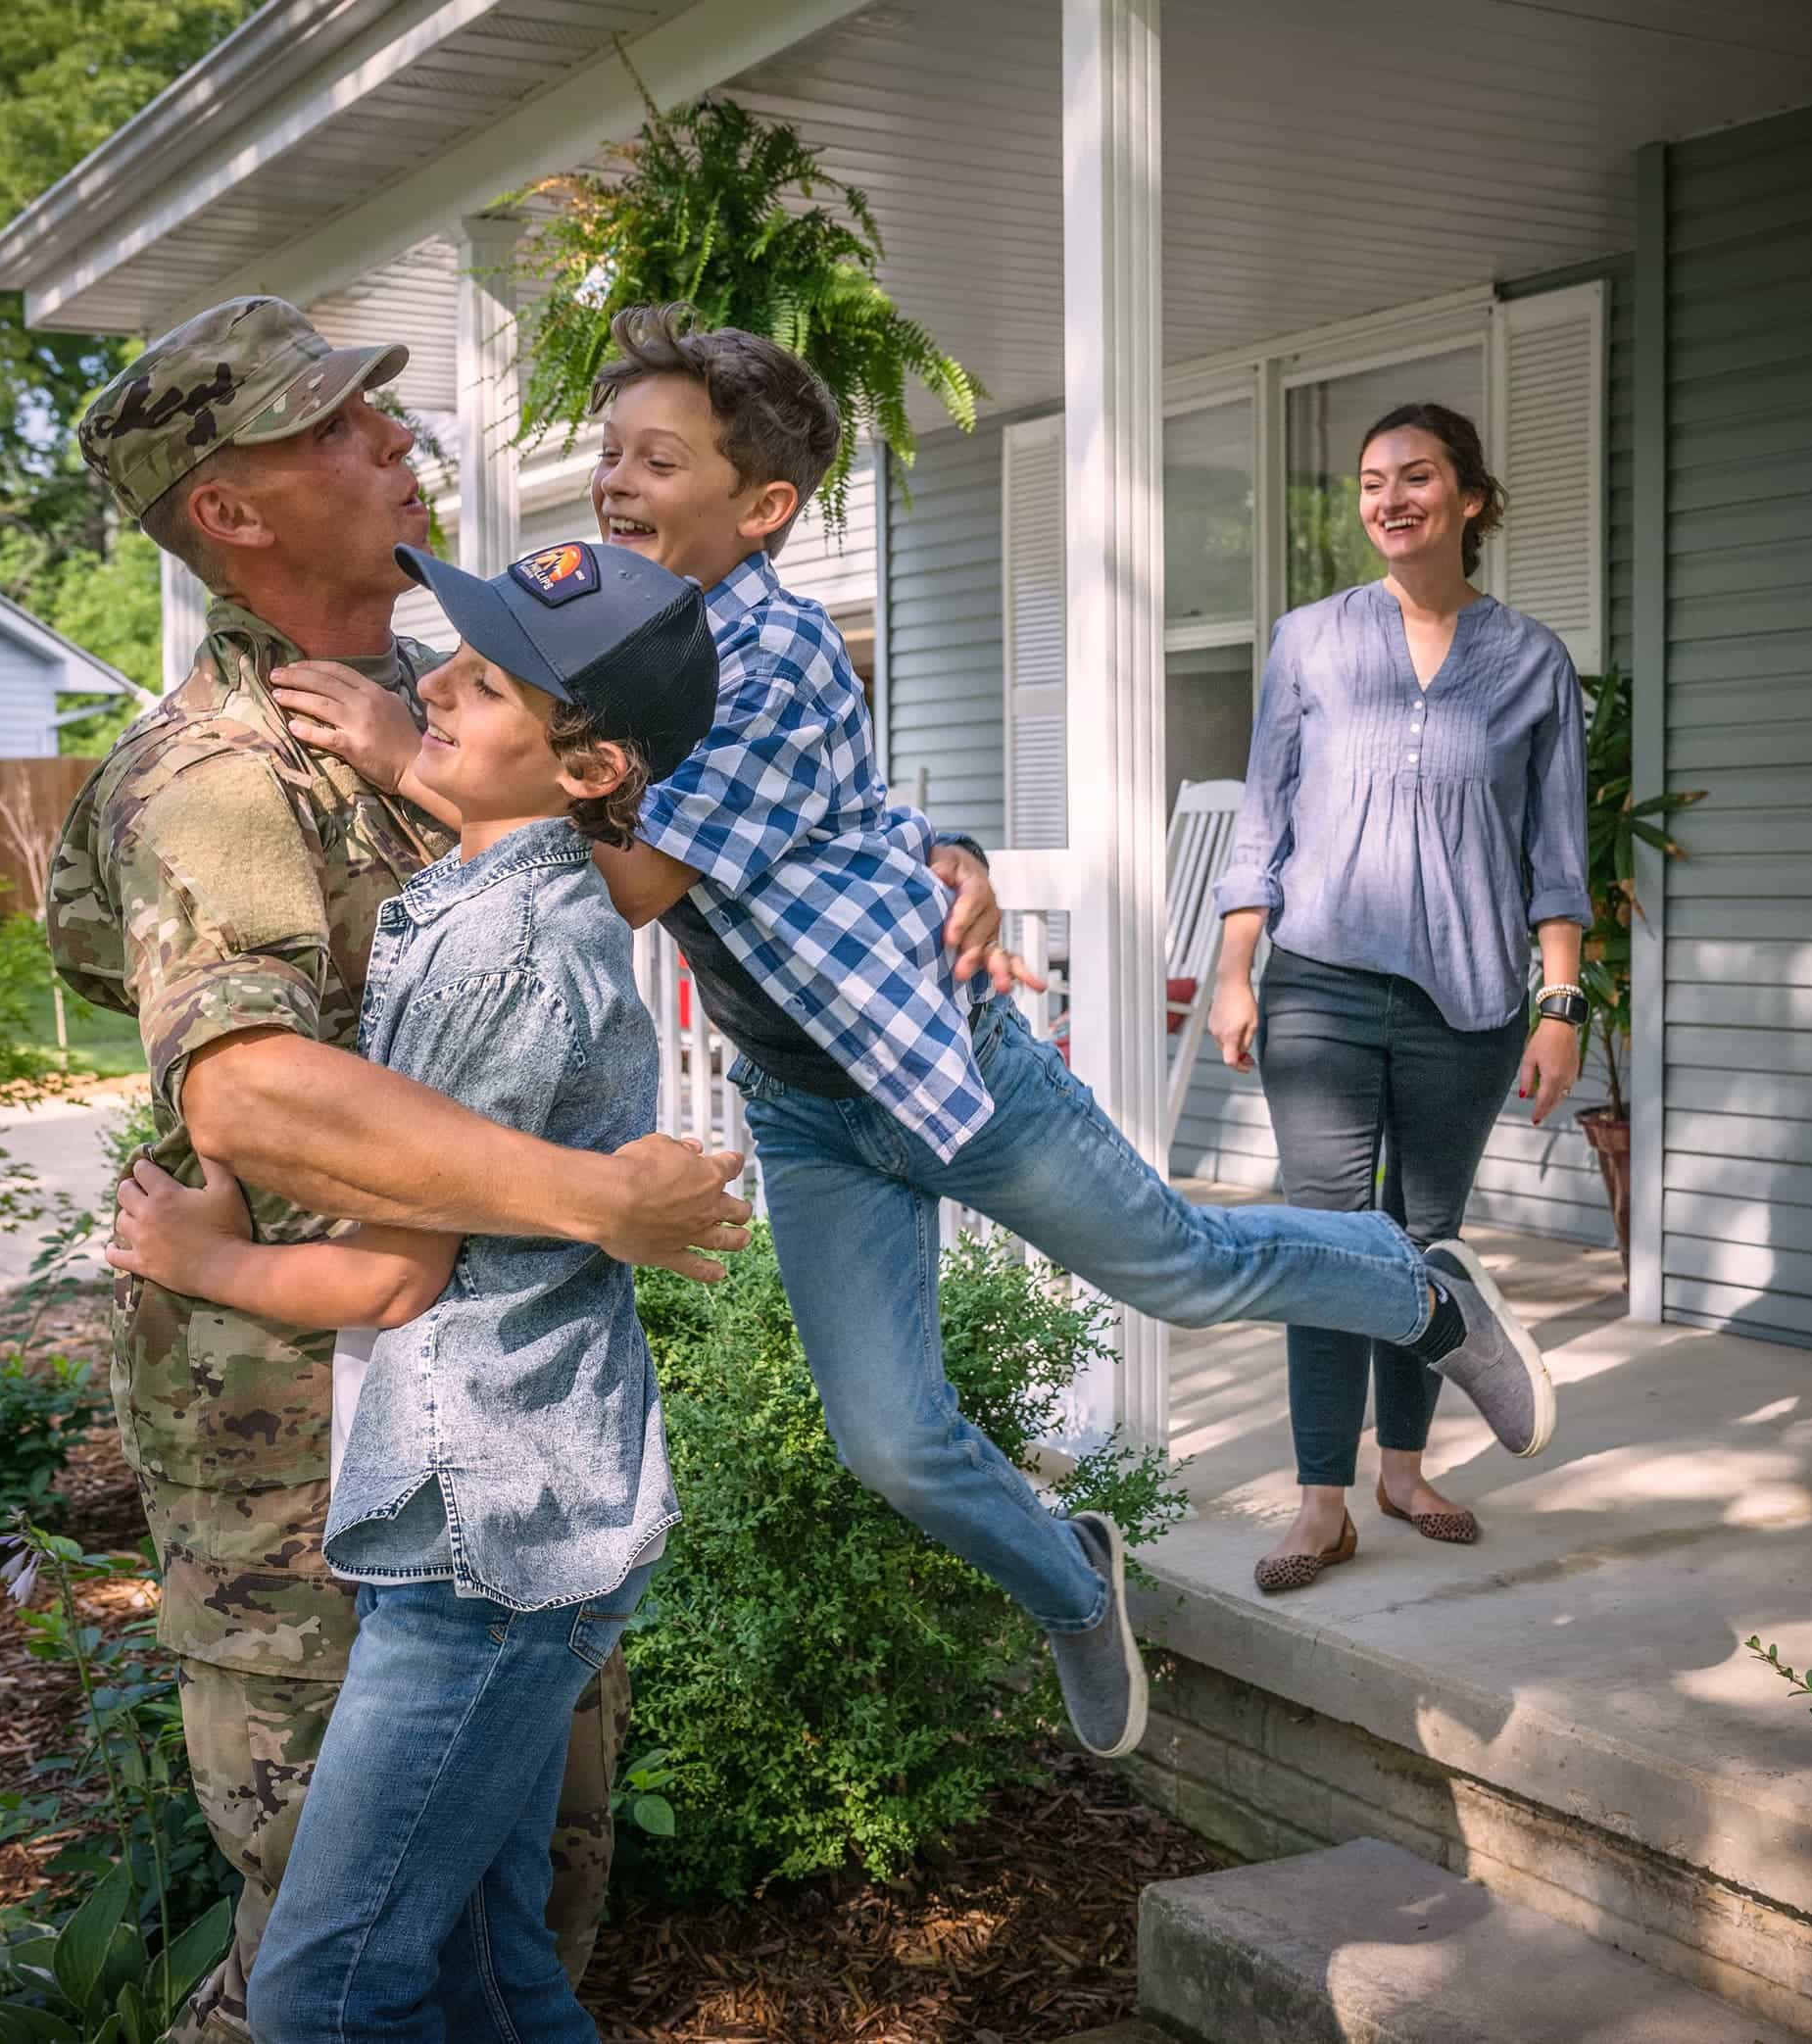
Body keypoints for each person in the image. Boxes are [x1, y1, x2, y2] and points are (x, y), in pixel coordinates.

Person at [269, 308, 1561, 1766]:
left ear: (762, 509)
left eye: (661, 458)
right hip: (811, 1103)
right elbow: (532, 711)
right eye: (612, 452)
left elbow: (625, 877)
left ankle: (1417, 1283)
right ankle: (1073, 1576)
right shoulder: (596, 632)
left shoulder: (768, 653)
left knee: (1187, 1271)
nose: (618, 482)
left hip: (943, 1062)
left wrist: (398, 749)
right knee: (889, 1440)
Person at [50, 297, 744, 2044]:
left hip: (475, 1455)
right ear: (233, 510)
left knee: (527, 1921)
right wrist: (604, 1201)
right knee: (341, 1958)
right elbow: (255, 1102)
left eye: (385, 410)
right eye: (343, 427)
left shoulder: (419, 732)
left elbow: (610, 858)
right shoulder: (215, 779)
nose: (403, 441)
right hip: (305, 1473)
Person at [1205, 400, 1590, 1594]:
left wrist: (1561, 1004)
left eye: (1415, 477)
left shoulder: (1531, 662)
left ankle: (1406, 1471)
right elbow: (1263, 814)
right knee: (1328, 1246)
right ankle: (1322, 1500)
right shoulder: (1311, 641)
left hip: (1469, 1002)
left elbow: (1557, 853)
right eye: (1372, 481)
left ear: (1470, 499)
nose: (1388, 499)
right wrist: (1234, 965)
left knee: (1427, 1246)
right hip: (1319, 979)